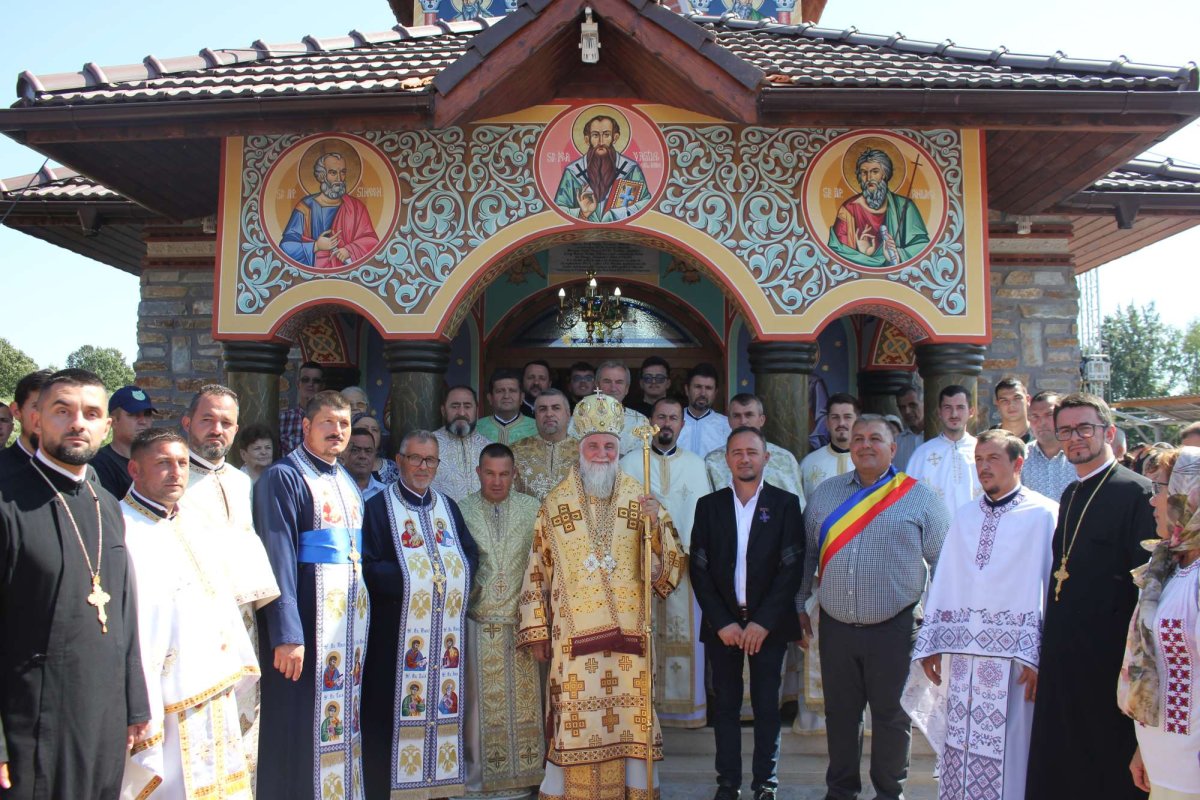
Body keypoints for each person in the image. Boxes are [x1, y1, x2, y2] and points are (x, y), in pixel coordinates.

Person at [518, 392, 685, 800]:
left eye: (609, 446)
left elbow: (671, 567)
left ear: (618, 450)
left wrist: (655, 528)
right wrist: (537, 629)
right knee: (575, 723)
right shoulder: (555, 504)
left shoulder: (641, 499)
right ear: (580, 449)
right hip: (573, 643)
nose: (601, 454)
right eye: (593, 446)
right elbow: (537, 567)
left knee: (631, 722)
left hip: (631, 640)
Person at [0, 369, 150, 799]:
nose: (77, 423)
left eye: (91, 414)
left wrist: (135, 702)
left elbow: (123, 610)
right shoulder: (6, 501)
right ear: (36, 419)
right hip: (31, 719)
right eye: (62, 411)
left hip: (104, 717)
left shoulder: (107, 505)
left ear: (107, 426)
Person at [798, 414, 950, 800]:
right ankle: (841, 792)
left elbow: (945, 564)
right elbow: (806, 556)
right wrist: (799, 605)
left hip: (894, 629)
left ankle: (889, 793)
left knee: (891, 717)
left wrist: (938, 627)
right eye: (859, 438)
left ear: (893, 448)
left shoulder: (920, 497)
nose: (866, 445)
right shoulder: (826, 494)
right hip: (836, 627)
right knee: (840, 715)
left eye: (875, 439)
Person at [901, 430, 1058, 800]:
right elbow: (946, 581)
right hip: (962, 661)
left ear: (1018, 463)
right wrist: (933, 645)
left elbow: (1051, 588)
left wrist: (1042, 656)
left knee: (1013, 754)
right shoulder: (965, 516)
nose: (984, 467)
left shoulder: (1045, 515)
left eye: (993, 459)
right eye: (979, 460)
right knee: (961, 750)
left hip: (1016, 662)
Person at [1025, 393, 1156, 800]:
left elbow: (1146, 588)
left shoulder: (1137, 493)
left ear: (1109, 432)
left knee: (1105, 771)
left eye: (1084, 428)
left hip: (1108, 662)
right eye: (1065, 431)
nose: (1074, 438)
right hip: (1066, 657)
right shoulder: (1071, 494)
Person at [119, 428, 261, 799]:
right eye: (163, 463)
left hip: (214, 682)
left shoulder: (195, 523)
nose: (176, 472)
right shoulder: (123, 529)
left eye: (182, 463)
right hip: (164, 694)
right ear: (135, 470)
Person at [253, 390, 368, 800]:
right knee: (298, 720)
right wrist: (287, 633)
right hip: (305, 621)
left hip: (347, 628)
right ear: (306, 426)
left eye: (344, 424)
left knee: (340, 716)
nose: (337, 431)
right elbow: (277, 555)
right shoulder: (284, 477)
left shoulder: (345, 480)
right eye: (328, 423)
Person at [361, 429, 478, 800]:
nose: (423, 467)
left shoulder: (448, 508)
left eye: (430, 460)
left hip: (444, 639)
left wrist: (451, 577)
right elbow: (368, 566)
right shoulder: (378, 508)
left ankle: (436, 789)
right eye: (415, 458)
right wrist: (416, 578)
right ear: (399, 461)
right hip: (394, 635)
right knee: (388, 715)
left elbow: (469, 555)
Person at [690, 427, 805, 800]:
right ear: (726, 459)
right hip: (723, 625)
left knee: (766, 705)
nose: (744, 458)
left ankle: (765, 783)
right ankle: (728, 782)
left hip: (768, 625)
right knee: (725, 705)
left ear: (766, 457)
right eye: (737, 452)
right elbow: (699, 567)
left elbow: (792, 567)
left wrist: (763, 621)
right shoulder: (709, 506)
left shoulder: (784, 504)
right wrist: (722, 621)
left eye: (752, 452)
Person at [179, 384, 281, 788]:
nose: (216, 429)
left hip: (242, 617)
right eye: (207, 420)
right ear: (188, 422)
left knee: (243, 717)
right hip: (194, 623)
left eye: (225, 422)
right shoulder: (173, 476)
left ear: (236, 430)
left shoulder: (241, 482)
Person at [458, 443, 545, 797]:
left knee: (525, 706)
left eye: (504, 474)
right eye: (490, 473)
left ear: (515, 474)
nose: (497, 481)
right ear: (478, 473)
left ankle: (523, 778)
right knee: (478, 708)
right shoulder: (461, 510)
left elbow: (543, 565)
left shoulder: (532, 509)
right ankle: (477, 779)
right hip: (477, 623)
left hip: (522, 624)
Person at [620, 397, 711, 729]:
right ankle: (642, 710)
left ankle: (683, 712)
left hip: (684, 569)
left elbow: (704, 518)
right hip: (638, 568)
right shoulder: (629, 463)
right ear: (650, 421)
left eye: (674, 417)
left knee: (684, 635)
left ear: (682, 425)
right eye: (661, 416)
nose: (667, 423)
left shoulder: (696, 465)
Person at [1123, 446, 1200, 798]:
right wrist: (1143, 746)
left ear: (1189, 494)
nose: (1152, 500)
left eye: (1160, 488)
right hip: (1162, 755)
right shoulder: (1167, 565)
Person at [828, 148, 930, 268]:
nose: (869, 178)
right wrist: (865, 255)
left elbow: (922, 246)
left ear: (885, 174)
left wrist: (896, 254)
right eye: (864, 173)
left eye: (875, 172)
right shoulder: (848, 209)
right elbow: (839, 251)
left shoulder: (905, 207)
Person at [280, 151, 380, 269]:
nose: (339, 178)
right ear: (322, 176)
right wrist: (316, 246)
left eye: (343, 172)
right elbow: (286, 247)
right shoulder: (305, 208)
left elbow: (371, 240)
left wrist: (350, 250)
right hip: (313, 274)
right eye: (333, 173)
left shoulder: (356, 207)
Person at [705, 394, 803, 504]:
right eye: (737, 416)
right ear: (729, 421)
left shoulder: (785, 458)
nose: (743, 421)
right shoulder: (712, 461)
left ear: (761, 420)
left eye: (749, 415)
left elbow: (798, 505)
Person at [552, 114, 651, 222]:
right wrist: (582, 213)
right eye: (595, 135)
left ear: (615, 138)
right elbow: (558, 210)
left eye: (606, 135)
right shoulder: (572, 172)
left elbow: (646, 202)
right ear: (587, 139)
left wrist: (618, 214)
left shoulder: (630, 169)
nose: (601, 142)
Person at [905, 384, 982, 517]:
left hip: (976, 526)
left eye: (960, 407)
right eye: (948, 408)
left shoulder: (982, 450)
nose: (954, 414)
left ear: (971, 411)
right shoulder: (922, 454)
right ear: (939, 412)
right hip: (935, 529)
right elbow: (909, 501)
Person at [567, 360, 650, 455]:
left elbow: (643, 458)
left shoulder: (640, 422)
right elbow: (571, 456)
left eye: (619, 382)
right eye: (607, 382)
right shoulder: (577, 420)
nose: (613, 388)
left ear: (627, 388)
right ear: (597, 386)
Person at [511, 388, 580, 501]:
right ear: (535, 415)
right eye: (542, 409)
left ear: (568, 414)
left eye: (556, 408)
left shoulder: (584, 452)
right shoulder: (515, 451)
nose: (549, 414)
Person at [91, 384, 155, 499]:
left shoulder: (155, 461)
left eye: (147, 414)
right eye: (134, 415)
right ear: (114, 421)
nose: (143, 421)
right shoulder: (99, 464)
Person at [433, 385, 491, 501]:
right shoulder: (427, 446)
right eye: (455, 406)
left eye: (467, 406)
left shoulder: (489, 448)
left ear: (476, 410)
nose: (461, 412)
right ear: (443, 411)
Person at [799, 392, 859, 498]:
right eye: (835, 417)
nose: (841, 423)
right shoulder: (809, 463)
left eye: (847, 417)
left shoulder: (869, 462)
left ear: (858, 422)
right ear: (827, 423)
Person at [1022, 391, 1076, 502]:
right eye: (1035, 416)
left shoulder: (1078, 454)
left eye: (1049, 414)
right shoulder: (1021, 457)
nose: (1042, 422)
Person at [0, 369, 51, 475]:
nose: (48, 416)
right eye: (38, 406)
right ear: (16, 411)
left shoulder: (80, 471)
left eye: (60, 410)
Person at [678, 363, 731, 457]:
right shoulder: (672, 421)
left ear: (715, 393)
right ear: (687, 390)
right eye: (698, 387)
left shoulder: (727, 425)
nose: (703, 393)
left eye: (708, 388)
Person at [476, 368, 537, 445]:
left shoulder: (536, 428)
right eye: (500, 391)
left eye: (512, 391)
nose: (506, 396)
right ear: (490, 398)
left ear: (522, 397)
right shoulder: (477, 428)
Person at [279, 361, 324, 454]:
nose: (310, 384)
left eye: (316, 381)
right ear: (298, 384)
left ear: (322, 386)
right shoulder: (283, 419)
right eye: (305, 380)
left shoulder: (330, 420)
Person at [344, 426, 387, 501]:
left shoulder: (385, 494)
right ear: (344, 453)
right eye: (355, 450)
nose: (362, 456)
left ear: (375, 455)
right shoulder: (331, 490)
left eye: (368, 451)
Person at [354, 414, 399, 484]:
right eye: (364, 429)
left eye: (374, 430)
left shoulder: (393, 468)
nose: (370, 433)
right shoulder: (341, 467)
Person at [992, 377, 1033, 443]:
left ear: (1028, 400)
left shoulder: (1042, 438)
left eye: (1017, 398)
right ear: (998, 404)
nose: (1011, 404)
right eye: (1004, 400)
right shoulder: (985, 441)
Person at [893, 384, 924, 469]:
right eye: (902, 407)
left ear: (924, 404)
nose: (907, 411)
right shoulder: (897, 442)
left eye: (913, 405)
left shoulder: (939, 437)